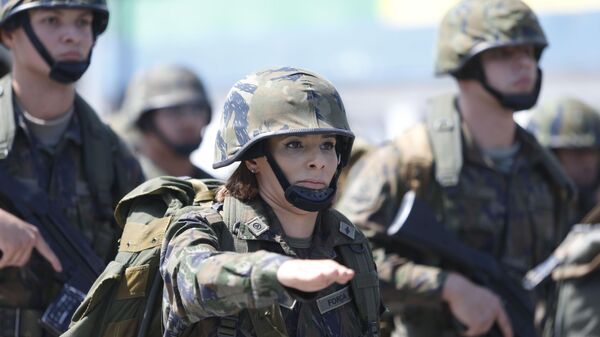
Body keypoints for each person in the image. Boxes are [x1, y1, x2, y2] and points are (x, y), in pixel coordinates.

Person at [336, 0, 573, 336]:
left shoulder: (546, 173)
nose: (525, 63)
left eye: (531, 51)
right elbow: (338, 258)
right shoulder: (409, 160)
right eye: (504, 53)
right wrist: (446, 287)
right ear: (465, 64)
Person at [158, 67, 381, 336]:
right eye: (294, 145)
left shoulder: (347, 241)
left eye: (328, 144)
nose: (319, 161)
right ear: (253, 159)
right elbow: (192, 282)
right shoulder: (205, 228)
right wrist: (278, 273)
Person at [0, 0, 144, 335]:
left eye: (82, 22)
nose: (72, 36)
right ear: (9, 33)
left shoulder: (112, 156)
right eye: (52, 20)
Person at [116, 64, 214, 179]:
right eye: (174, 111)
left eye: (197, 109)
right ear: (146, 123)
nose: (189, 121)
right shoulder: (123, 186)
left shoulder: (214, 190)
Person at [528, 97, 600, 223]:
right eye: (578, 152)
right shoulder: (528, 215)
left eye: (594, 151)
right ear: (550, 158)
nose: (588, 163)